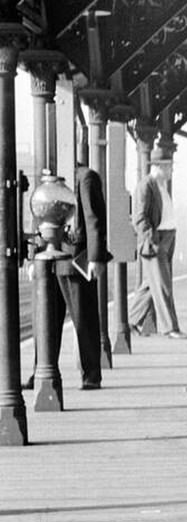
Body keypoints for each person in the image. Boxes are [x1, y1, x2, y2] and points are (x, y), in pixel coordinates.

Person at [28, 161, 108, 392]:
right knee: (46, 320)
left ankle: (91, 374)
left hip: (75, 259)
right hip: (52, 257)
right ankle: (40, 370)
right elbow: (40, 217)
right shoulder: (53, 182)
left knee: (84, 317)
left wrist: (95, 257)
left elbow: (93, 219)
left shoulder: (86, 178)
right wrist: (36, 253)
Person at [128, 159, 187, 338]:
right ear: (159, 167)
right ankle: (170, 328)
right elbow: (139, 217)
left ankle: (131, 320)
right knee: (163, 285)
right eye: (169, 167)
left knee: (150, 285)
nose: (171, 171)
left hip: (167, 238)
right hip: (156, 240)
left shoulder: (160, 185)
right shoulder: (146, 186)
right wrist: (151, 239)